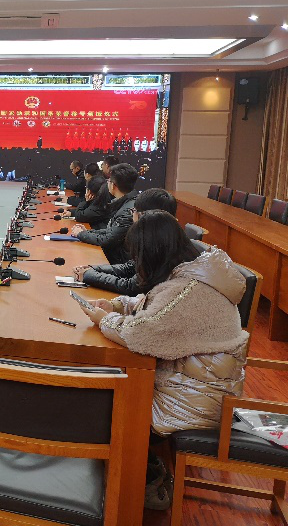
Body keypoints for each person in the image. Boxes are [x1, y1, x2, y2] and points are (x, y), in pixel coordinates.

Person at [78, 211, 247, 509]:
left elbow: (142, 334)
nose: (137, 264)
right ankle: (137, 470)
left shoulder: (190, 290)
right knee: (108, 390)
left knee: (109, 407)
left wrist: (105, 319)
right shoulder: (193, 275)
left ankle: (133, 489)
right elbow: (157, 308)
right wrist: (116, 305)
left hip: (195, 401)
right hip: (198, 386)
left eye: (138, 256)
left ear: (153, 253)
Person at [74, 188, 179, 295]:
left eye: (134, 211)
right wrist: (92, 269)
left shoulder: (155, 245)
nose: (132, 215)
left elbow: (131, 286)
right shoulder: (165, 235)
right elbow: (130, 268)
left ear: (145, 216)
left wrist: (89, 275)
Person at [70, 163, 139, 264]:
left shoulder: (127, 211)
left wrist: (81, 234)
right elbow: (112, 232)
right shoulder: (128, 201)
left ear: (113, 185)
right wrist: (88, 232)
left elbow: (108, 239)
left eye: (109, 181)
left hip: (117, 262)